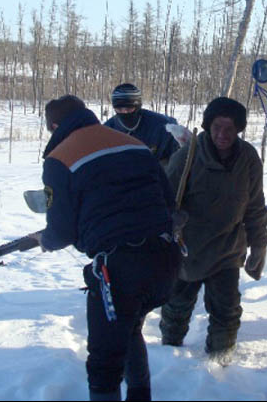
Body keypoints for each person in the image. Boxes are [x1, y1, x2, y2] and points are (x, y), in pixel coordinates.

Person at [30, 94, 179, 401]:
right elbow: (168, 202)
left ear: (55, 126)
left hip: (119, 270)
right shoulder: (132, 143)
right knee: (129, 329)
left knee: (104, 364)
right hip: (166, 261)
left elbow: (61, 231)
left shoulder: (59, 159)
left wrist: (44, 239)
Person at [159, 97, 267, 363]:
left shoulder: (248, 158)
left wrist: (259, 245)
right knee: (176, 308)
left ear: (239, 129)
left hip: (227, 249)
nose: (223, 135)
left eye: (230, 129)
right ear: (208, 126)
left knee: (227, 311)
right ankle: (168, 357)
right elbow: (163, 200)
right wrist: (171, 222)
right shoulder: (188, 156)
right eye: (217, 127)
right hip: (188, 249)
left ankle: (221, 365)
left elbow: (254, 205)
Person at [104, 83, 180, 166]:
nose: (124, 112)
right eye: (119, 109)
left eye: (129, 108)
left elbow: (176, 159)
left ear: (138, 107)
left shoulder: (161, 127)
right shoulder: (107, 131)